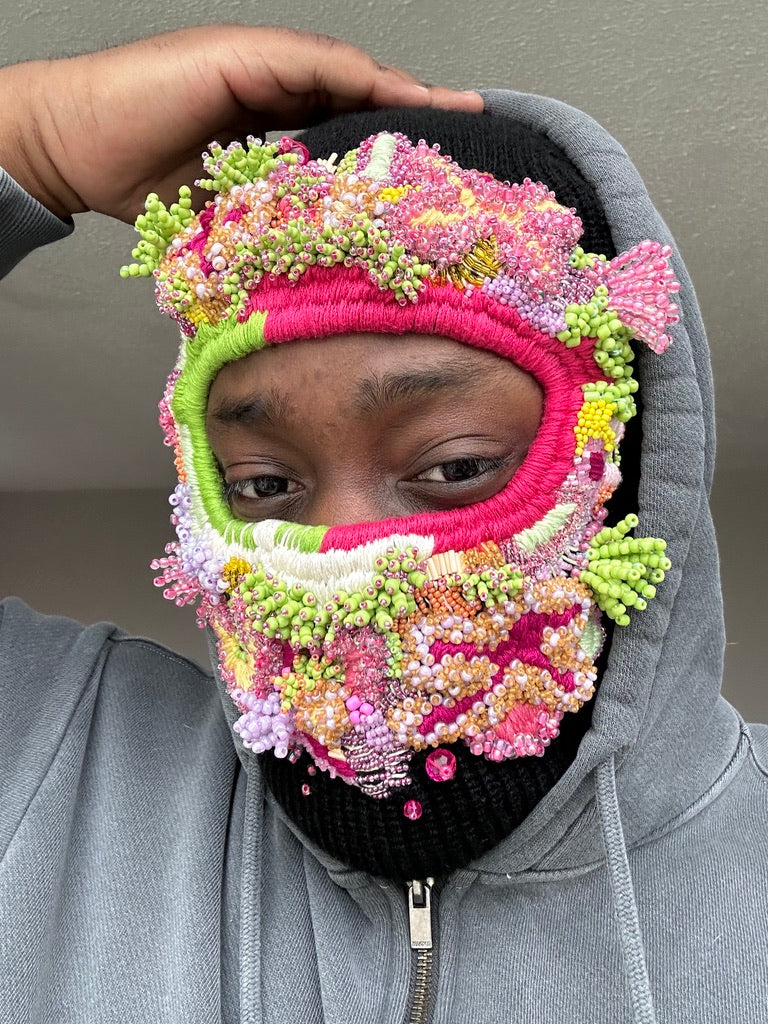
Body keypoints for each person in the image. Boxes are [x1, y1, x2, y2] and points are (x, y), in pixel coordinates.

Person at [1, 25, 766, 1024]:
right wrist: (32, 140)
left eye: (456, 466)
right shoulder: (58, 762)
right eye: (263, 483)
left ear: (623, 463)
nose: (347, 555)